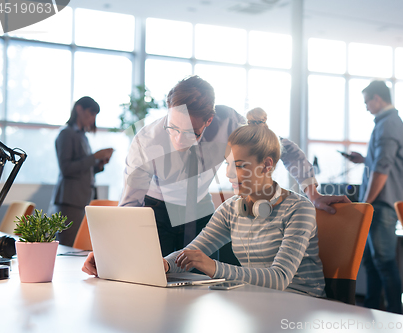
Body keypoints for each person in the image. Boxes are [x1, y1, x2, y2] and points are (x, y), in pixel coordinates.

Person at [83, 109, 325, 297]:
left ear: (267, 165)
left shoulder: (298, 209)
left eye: (239, 166)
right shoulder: (231, 209)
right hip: (260, 301)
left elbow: (280, 278)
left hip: (301, 304)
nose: (229, 174)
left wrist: (213, 267)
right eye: (227, 164)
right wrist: (155, 265)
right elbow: (190, 254)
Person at [119, 75, 349, 259]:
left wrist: (313, 193)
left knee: (205, 286)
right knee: (156, 282)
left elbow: (280, 148)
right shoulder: (147, 141)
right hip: (158, 213)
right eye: (173, 128)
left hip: (199, 210)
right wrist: (113, 252)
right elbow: (130, 204)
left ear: (209, 120)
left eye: (191, 133)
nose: (179, 140)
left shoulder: (227, 122)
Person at [344, 80, 403, 313]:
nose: (366, 107)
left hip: (381, 205)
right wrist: (363, 160)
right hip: (380, 204)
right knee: (372, 263)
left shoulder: (388, 124)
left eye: (366, 102)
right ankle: (370, 311)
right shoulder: (386, 123)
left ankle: (396, 315)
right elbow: (380, 162)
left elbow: (383, 169)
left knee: (383, 262)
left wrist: (365, 203)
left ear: (377, 98)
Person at [50, 96, 114, 247]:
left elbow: (81, 169)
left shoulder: (82, 136)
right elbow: (66, 169)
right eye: (91, 113)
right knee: (68, 247)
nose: (93, 119)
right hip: (69, 202)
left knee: (78, 247)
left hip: (80, 200)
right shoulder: (66, 134)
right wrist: (94, 157)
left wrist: (98, 165)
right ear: (79, 109)